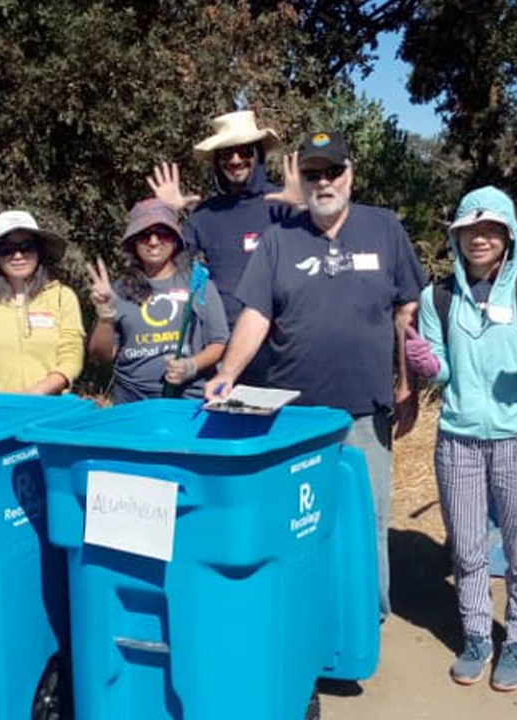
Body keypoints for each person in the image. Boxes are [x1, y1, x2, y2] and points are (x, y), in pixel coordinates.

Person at [205, 130, 427, 621]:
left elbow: (406, 311)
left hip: (366, 412)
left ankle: (365, 622)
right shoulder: (279, 239)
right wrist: (227, 373)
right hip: (294, 419)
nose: (325, 182)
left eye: (333, 171)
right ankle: (306, 624)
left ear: (351, 173)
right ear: (301, 180)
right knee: (299, 522)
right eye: (314, 174)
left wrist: (409, 384)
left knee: (364, 520)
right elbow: (256, 315)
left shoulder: (384, 228)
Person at [403, 186, 517, 691]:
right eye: (471, 230)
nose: (481, 238)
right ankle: (476, 638)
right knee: (467, 550)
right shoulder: (436, 298)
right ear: (458, 237)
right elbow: (442, 372)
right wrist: (428, 367)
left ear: (509, 235)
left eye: (492, 229)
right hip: (458, 442)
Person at [147, 110, 291, 384]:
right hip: (222, 350)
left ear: (258, 154)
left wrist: (302, 208)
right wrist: (168, 215)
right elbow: (170, 264)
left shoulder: (282, 204)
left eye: (243, 151)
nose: (235, 160)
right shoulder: (204, 215)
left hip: (280, 350)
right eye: (226, 154)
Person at [85, 198, 229, 403]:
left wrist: (191, 366)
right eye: (144, 235)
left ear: (175, 239)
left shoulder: (198, 282)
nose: (153, 241)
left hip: (187, 401)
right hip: (132, 402)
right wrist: (105, 315)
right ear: (133, 242)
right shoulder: (118, 289)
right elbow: (101, 357)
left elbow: (219, 342)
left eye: (162, 233)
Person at [0, 210, 85, 394]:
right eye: (7, 250)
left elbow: (71, 357)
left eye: (26, 247)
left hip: (49, 408)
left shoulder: (63, 297)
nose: (18, 256)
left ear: (39, 252)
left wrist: (39, 391)